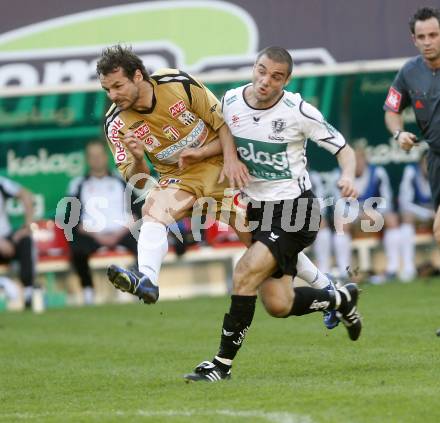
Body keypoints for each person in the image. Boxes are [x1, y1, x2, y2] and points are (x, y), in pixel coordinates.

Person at [96, 45, 342, 329]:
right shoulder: (116, 124)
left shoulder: (177, 84)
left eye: (117, 86)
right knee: (154, 211)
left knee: (265, 246)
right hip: (181, 178)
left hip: (221, 168)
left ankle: (329, 289)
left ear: (138, 76)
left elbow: (222, 125)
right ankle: (147, 279)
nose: (113, 95)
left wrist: (229, 160)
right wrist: (139, 158)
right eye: (107, 90)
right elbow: (135, 178)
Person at [184, 46, 362, 382]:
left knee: (245, 272)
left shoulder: (298, 111)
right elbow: (227, 141)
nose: (266, 81)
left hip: (297, 210)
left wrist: (348, 176)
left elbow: (344, 149)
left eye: (276, 76)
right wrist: (199, 154)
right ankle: (339, 298)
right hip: (258, 210)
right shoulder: (232, 100)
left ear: (286, 80)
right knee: (279, 304)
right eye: (262, 71)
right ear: (254, 67)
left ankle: (221, 365)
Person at [384, 7, 440, 249]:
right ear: (413, 40)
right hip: (436, 159)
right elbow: (391, 110)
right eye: (422, 37)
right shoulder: (409, 72)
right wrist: (398, 133)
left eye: (434, 35)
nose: (428, 42)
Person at [67, 140, 138, 304]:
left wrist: (119, 232)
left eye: (100, 155)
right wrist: (98, 236)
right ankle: (88, 291)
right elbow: (72, 220)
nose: (97, 159)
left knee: (144, 241)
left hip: (122, 231)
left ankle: (139, 284)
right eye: (92, 156)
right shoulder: (77, 184)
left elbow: (136, 212)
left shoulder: (122, 180)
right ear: (87, 160)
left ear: (106, 157)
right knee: (77, 249)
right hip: (92, 234)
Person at [332, 144, 401, 283]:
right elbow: (337, 204)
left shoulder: (378, 172)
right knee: (341, 225)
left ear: (365, 160)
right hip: (351, 216)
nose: (356, 163)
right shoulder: (339, 175)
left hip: (375, 216)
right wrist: (356, 215)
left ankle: (393, 269)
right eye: (352, 159)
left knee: (392, 219)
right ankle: (344, 271)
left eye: (359, 159)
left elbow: (386, 200)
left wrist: (373, 213)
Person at [0, 176, 39, 309]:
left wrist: (27, 226)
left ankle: (28, 294)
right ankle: (3, 283)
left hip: (6, 237)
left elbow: (25, 194)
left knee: (25, 241)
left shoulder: (1, 182)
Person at [398, 150, 434, 281]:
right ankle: (408, 268)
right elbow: (405, 203)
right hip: (418, 214)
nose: (428, 165)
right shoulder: (411, 172)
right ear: (420, 163)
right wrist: (427, 214)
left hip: (437, 215)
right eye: (426, 162)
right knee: (406, 218)